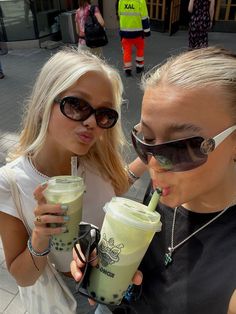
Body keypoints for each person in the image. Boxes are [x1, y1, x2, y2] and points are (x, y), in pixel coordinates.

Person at [70, 47, 236, 314]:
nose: (155, 164)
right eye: (146, 140)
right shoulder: (169, 188)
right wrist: (107, 257)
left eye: (181, 147)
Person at [0, 48, 146, 314]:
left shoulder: (95, 159)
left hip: (109, 284)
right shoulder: (10, 182)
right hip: (66, 300)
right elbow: (23, 277)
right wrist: (41, 235)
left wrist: (148, 157)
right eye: (77, 105)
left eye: (104, 114)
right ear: (45, 102)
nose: (92, 122)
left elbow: (114, 187)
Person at [117, 0, 151, 77]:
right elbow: (144, 18)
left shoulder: (121, 1)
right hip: (138, 33)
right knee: (140, 49)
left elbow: (120, 15)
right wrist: (147, 31)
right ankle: (139, 67)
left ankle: (127, 70)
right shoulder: (140, 1)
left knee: (127, 51)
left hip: (125, 33)